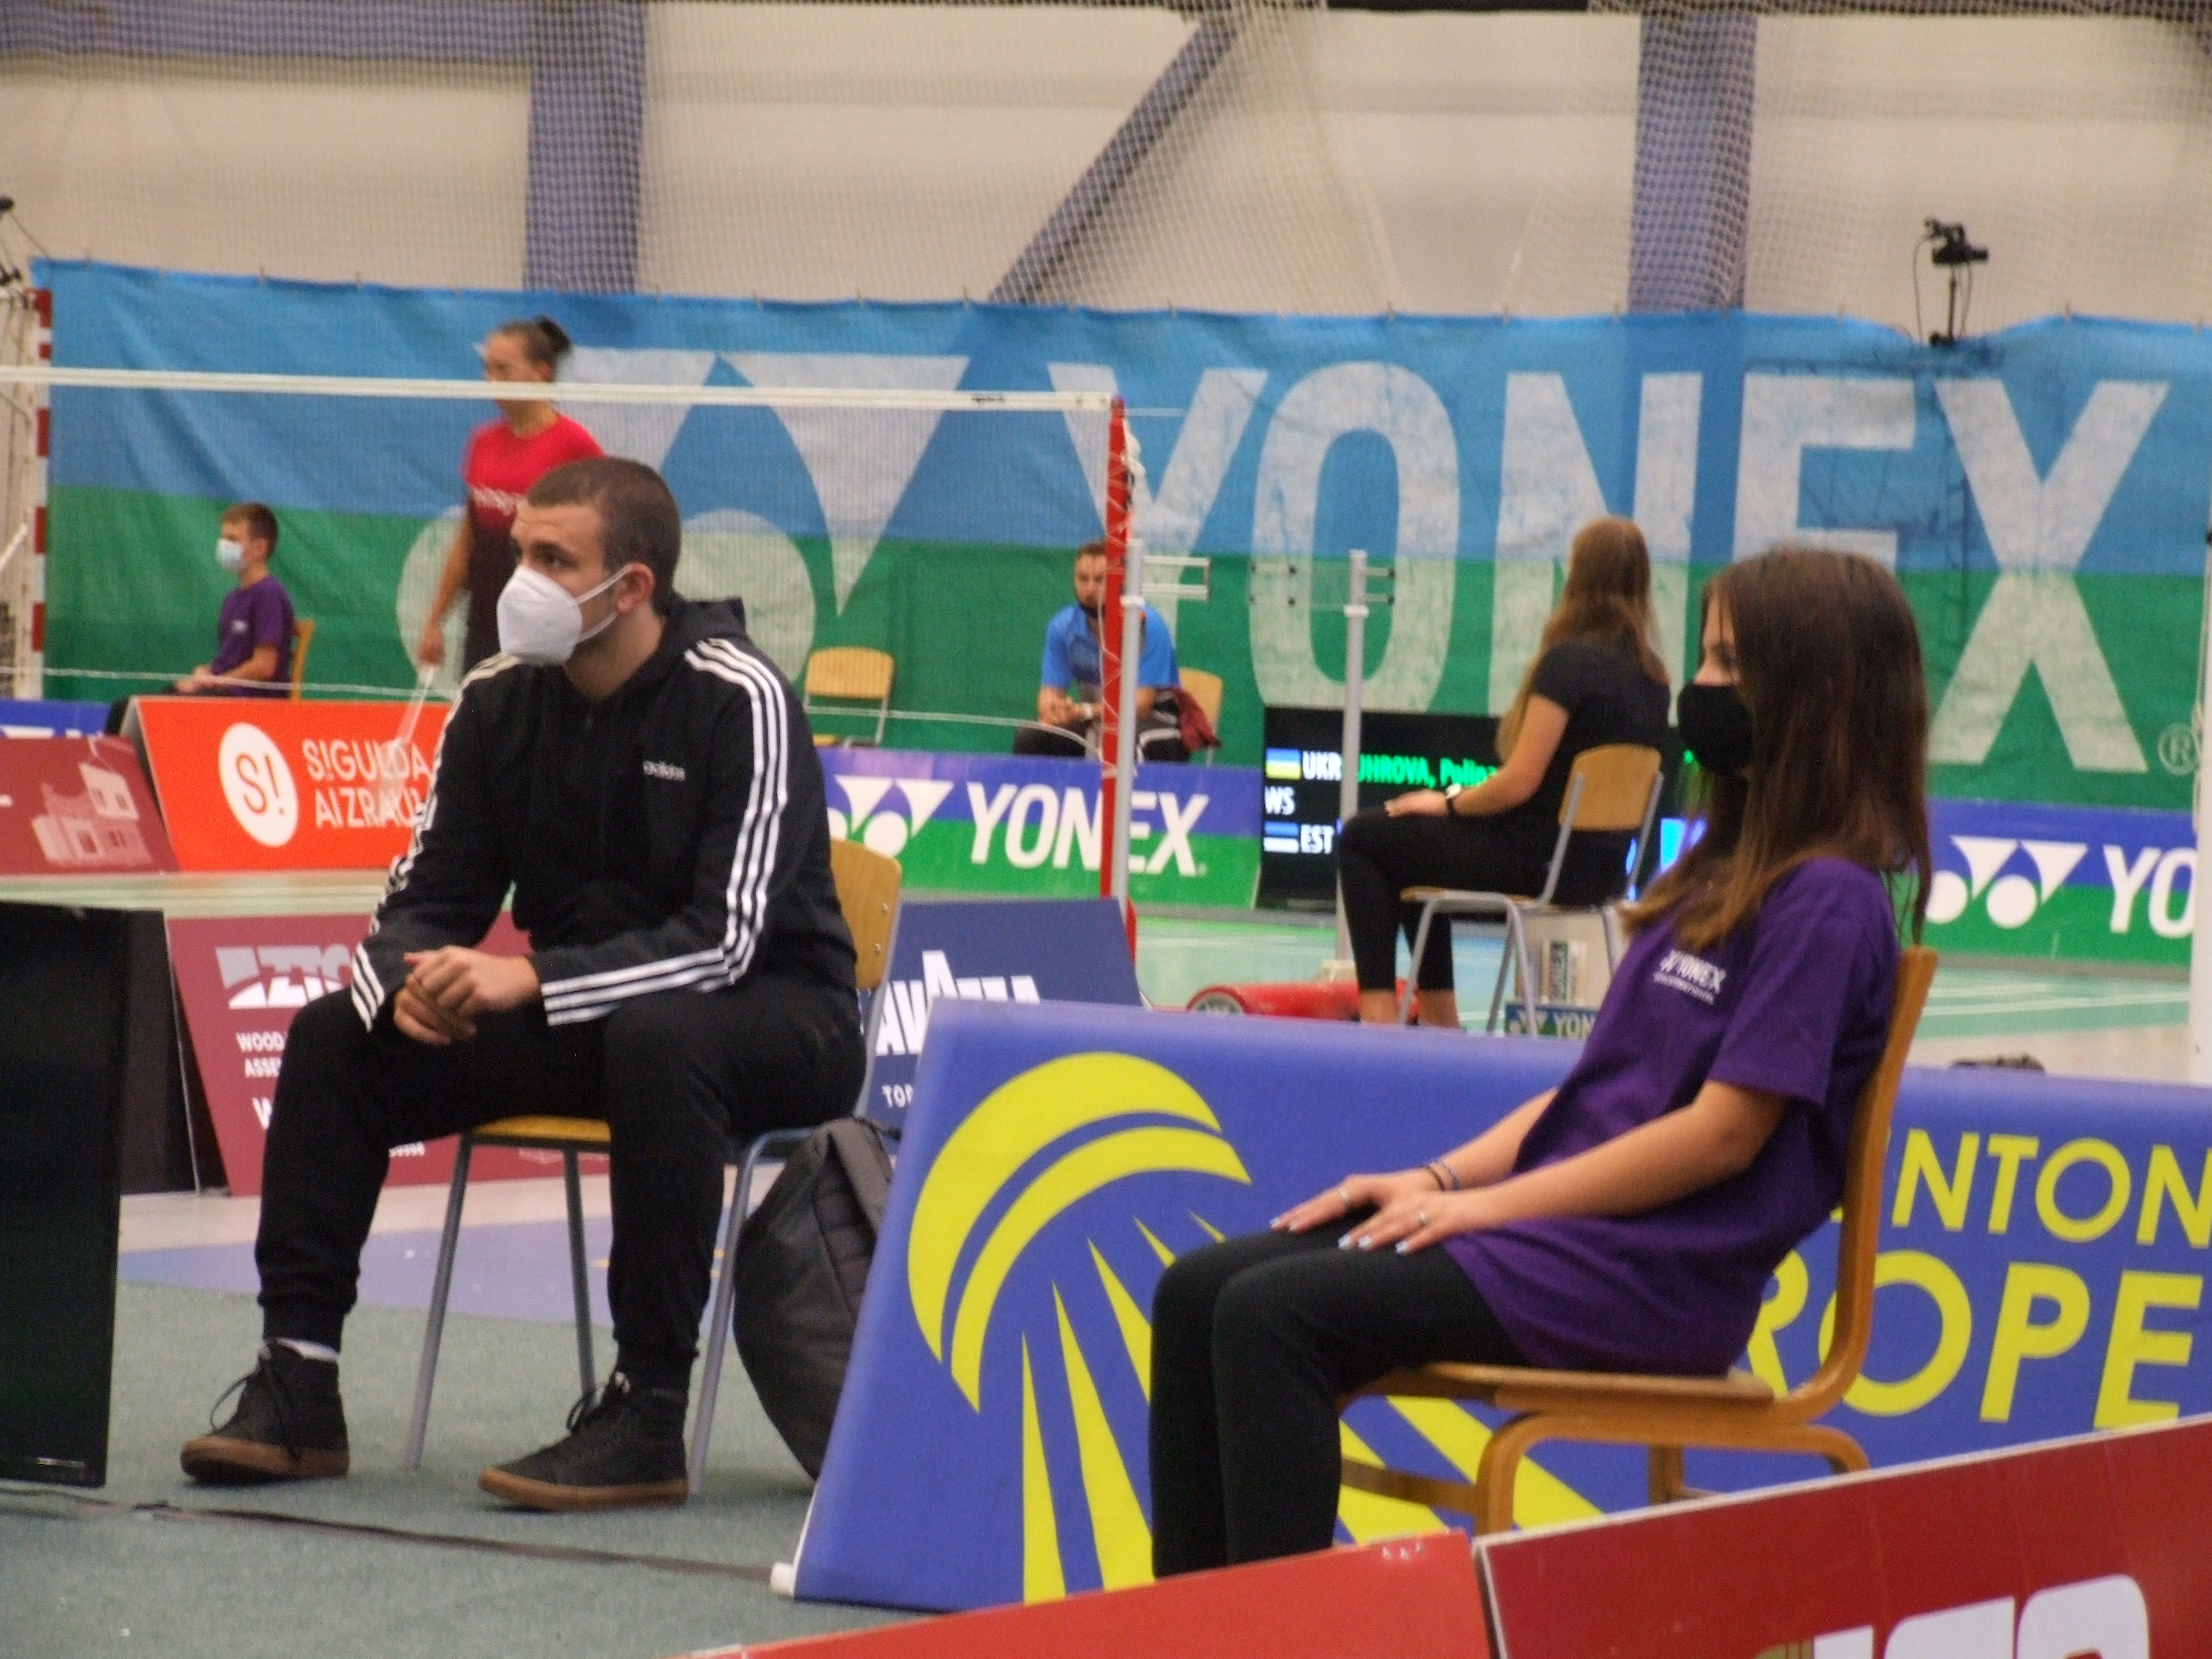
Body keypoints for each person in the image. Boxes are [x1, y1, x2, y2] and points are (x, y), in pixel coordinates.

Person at [1148, 547, 1930, 1574]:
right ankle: (1184, 1627)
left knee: (1272, 1317)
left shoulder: (1829, 902)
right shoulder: (1710, 879)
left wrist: (1487, 1210)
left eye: (1730, 665)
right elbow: (1590, 1094)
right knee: (1198, 1291)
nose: (1699, 687)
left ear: (1816, 694)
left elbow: (1721, 1136)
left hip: (1655, 1279)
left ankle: (1269, 1636)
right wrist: (1437, 1181)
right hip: (1563, 1243)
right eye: (1705, 656)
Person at [180, 458, 864, 1511]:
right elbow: (424, 896)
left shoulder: (741, 697)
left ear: (632, 587)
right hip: (594, 1018)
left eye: (554, 560)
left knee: (662, 1039)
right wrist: (405, 983)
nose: (520, 580)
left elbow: (724, 945)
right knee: (335, 1038)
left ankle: (646, 1412)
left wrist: (528, 979)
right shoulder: (497, 699)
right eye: (519, 553)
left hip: (778, 1018)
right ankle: (298, 1382)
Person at [1336, 517, 1670, 1027]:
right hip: (1601, 873)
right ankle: (1440, 1024)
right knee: (1408, 848)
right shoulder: (1655, 678)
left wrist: (1448, 803)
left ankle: (1380, 1019)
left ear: (1578, 578)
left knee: (1364, 837)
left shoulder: (1569, 665)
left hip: (1536, 862)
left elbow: (1519, 782)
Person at [417, 315, 603, 674]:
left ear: (541, 371)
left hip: (546, 624)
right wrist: (435, 621)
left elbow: (601, 542)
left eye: (503, 370)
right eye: (488, 369)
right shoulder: (482, 442)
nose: (491, 380)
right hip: (485, 620)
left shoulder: (576, 445)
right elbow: (469, 539)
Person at [103, 502, 295, 733]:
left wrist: (218, 681)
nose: (224, 546)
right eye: (223, 538)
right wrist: (205, 674)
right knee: (125, 709)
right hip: (219, 691)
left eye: (233, 540)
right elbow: (232, 658)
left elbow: (264, 666)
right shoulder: (233, 599)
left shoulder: (269, 594)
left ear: (259, 548)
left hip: (248, 700)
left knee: (155, 715)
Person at [1013, 539, 1187, 762]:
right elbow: (1048, 699)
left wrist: (1086, 711)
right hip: (1096, 721)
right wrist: (1057, 710)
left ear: (1120, 581)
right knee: (1033, 737)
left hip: (1156, 722)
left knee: (1123, 743)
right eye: (1082, 579)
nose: (1089, 589)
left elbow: (1141, 706)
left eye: (1100, 580)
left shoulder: (1148, 625)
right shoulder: (1062, 628)